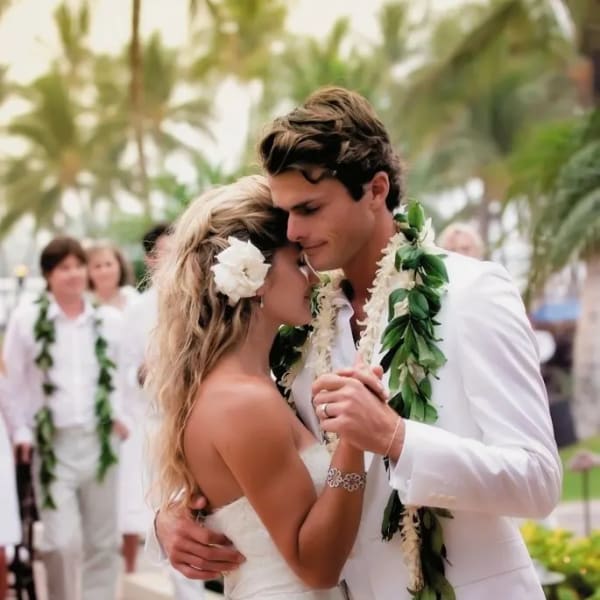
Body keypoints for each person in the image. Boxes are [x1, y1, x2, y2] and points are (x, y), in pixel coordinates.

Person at [155, 88, 562, 599]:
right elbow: (253, 449)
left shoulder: (471, 293)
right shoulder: (296, 323)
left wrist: (396, 437)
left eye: (309, 208)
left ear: (375, 190)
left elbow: (538, 481)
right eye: (285, 214)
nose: (294, 231)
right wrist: (173, 519)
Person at [150, 175, 384, 599]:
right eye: (298, 264)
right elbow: (317, 566)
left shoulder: (243, 383)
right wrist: (352, 440)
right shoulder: (242, 400)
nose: (314, 279)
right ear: (253, 276)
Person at [2, 237, 129, 600]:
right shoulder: (28, 320)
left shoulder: (108, 321)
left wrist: (121, 417)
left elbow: (123, 373)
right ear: (48, 275)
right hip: (52, 446)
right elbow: (12, 381)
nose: (74, 274)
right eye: (64, 268)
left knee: (103, 542)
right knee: (59, 543)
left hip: (101, 442)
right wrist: (21, 431)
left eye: (78, 266)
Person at [86, 242, 138, 312]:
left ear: (120, 266)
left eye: (109, 264)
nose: (104, 271)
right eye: (97, 266)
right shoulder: (85, 302)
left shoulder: (131, 295)